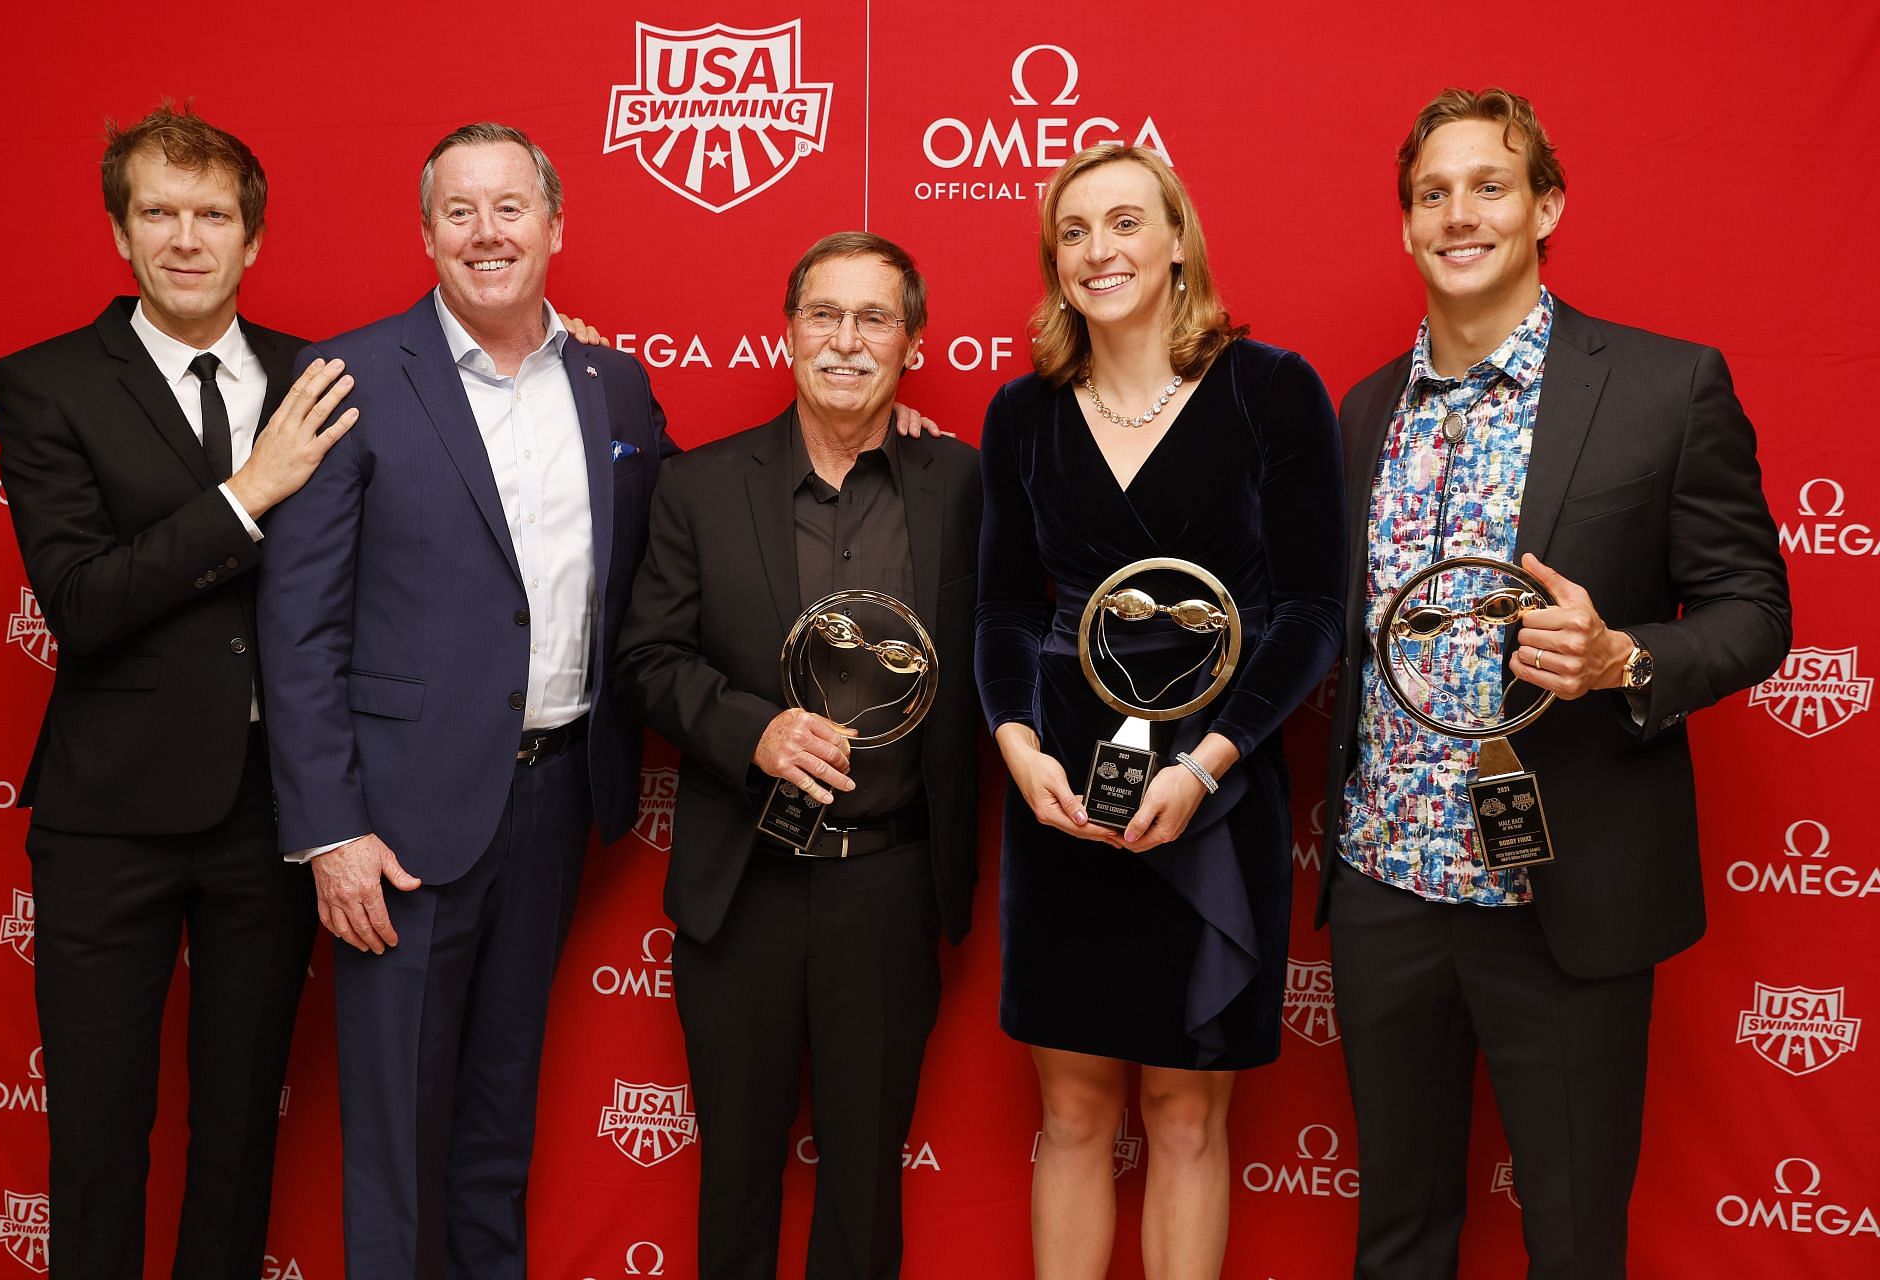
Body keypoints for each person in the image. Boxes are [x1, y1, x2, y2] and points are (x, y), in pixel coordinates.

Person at [1319, 87, 1792, 1278]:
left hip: (1562, 894)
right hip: (1389, 882)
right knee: (1398, 1234)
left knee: (1575, 1240)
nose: (1459, 213)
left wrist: (1626, 657)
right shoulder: (1364, 411)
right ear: (1407, 226)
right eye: (1433, 193)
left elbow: (1754, 610)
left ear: (1548, 207)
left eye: (1490, 185)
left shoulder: (1664, 387)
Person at [255, 122, 675, 1276]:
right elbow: (297, 625)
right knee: (394, 1139)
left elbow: (698, 530)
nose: (487, 233)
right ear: (427, 232)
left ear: (554, 225)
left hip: (552, 803)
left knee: (496, 1130)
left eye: (510, 208)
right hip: (393, 823)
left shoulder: (615, 383)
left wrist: (874, 429)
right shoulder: (345, 377)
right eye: (460, 211)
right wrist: (331, 830)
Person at [0, 102, 356, 1279]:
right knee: (97, 1136)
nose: (186, 238)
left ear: (253, 238)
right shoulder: (44, 384)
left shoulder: (320, 376)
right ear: (120, 234)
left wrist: (559, 355)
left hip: (271, 812)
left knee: (243, 1126)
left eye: (212, 215)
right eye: (159, 213)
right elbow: (83, 601)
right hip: (108, 817)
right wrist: (251, 490)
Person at [976, 145, 1346, 1276]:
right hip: (1065, 793)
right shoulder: (1022, 413)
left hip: (1214, 784)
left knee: (1187, 1120)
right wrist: (1017, 743)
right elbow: (998, 607)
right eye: (1076, 231)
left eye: (1126, 222)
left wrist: (1209, 765)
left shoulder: (1270, 388)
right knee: (1076, 1116)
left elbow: (1313, 607)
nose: (1102, 251)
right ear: (1056, 260)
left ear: (1178, 239)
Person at [616, 232, 980, 1280]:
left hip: (890, 879)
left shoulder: (960, 483)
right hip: (746, 885)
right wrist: (752, 729)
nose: (846, 341)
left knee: (866, 1188)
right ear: (787, 331)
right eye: (824, 314)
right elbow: (645, 656)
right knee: (735, 1175)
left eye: (874, 319)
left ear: (910, 341)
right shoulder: (700, 485)